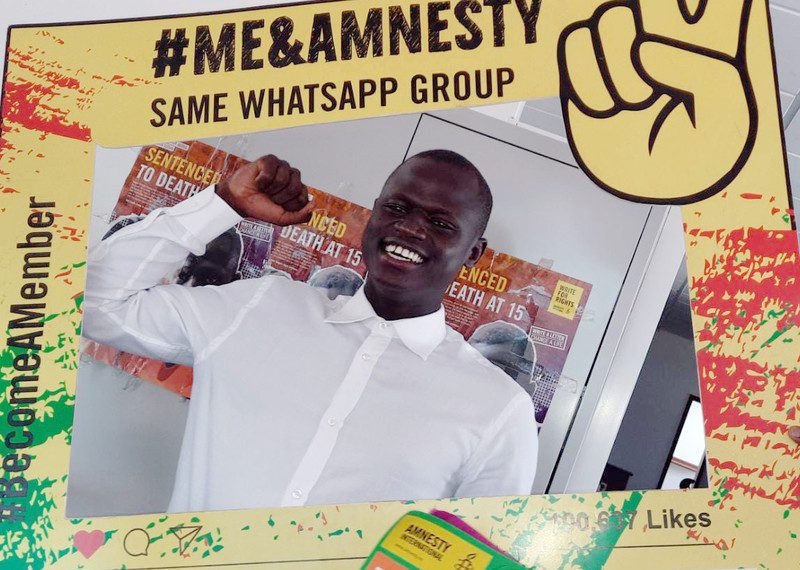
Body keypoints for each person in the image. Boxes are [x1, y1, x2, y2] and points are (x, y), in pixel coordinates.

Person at [82, 150, 539, 513]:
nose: (410, 228)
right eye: (397, 208)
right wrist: (223, 202)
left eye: (440, 223)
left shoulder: (499, 410)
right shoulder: (261, 307)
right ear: (374, 216)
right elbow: (96, 304)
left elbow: (483, 553)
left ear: (473, 252)